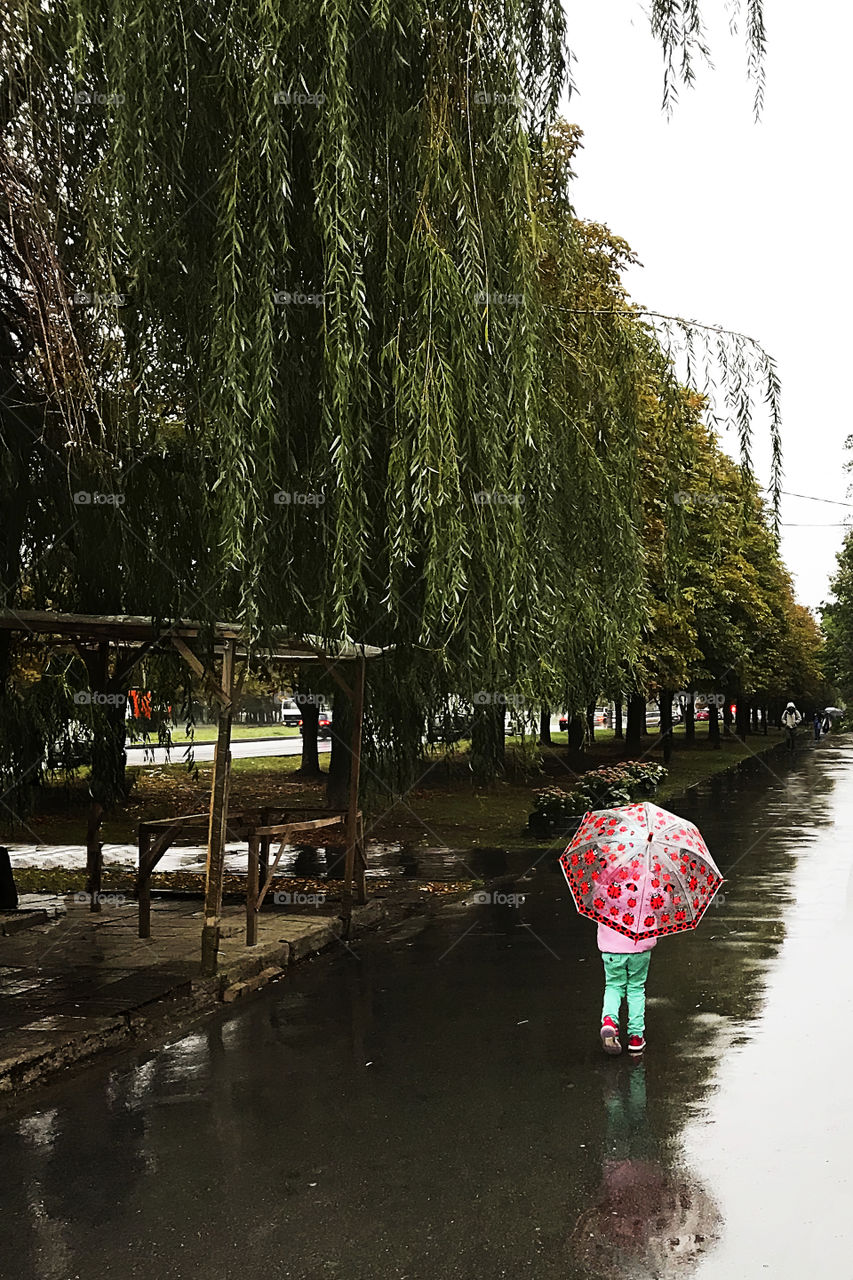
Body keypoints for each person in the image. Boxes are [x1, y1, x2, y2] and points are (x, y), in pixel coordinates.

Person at [598, 906, 656, 1057]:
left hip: (611, 947)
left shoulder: (602, 882)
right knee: (636, 989)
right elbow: (663, 904)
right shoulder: (650, 883)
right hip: (640, 944)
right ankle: (636, 1038)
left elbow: (594, 902)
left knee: (613, 986)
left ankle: (609, 1020)